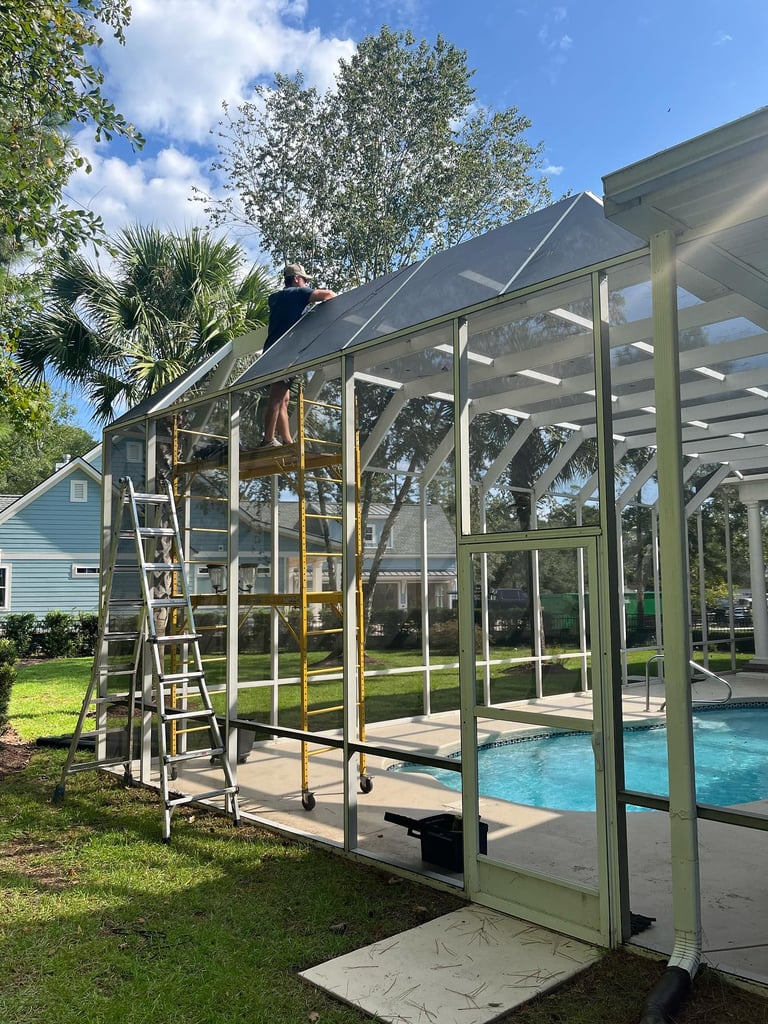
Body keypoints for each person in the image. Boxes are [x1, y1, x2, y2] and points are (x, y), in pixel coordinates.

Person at [260, 263, 336, 447]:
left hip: (272, 349)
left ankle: (287, 441)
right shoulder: (297, 293)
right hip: (285, 353)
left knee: (283, 398)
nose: (305, 284)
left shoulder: (276, 298)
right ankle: (268, 439)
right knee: (277, 397)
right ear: (296, 278)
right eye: (304, 280)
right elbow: (328, 295)